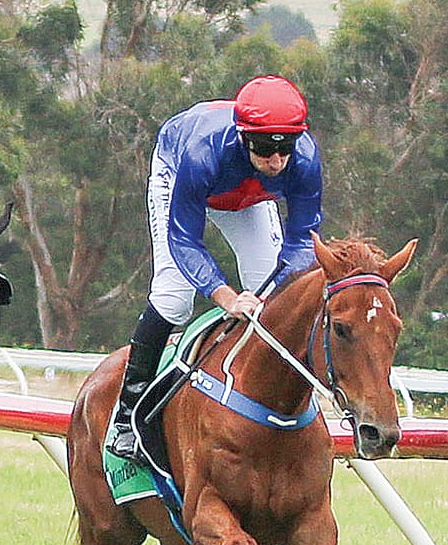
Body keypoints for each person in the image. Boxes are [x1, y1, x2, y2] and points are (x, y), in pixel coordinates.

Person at [105, 75, 324, 458]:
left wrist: (279, 282)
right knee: (174, 298)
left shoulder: (304, 158)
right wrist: (225, 296)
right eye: (263, 150)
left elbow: (304, 238)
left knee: (274, 300)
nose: (275, 162)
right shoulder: (202, 152)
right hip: (180, 176)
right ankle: (127, 415)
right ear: (243, 138)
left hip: (248, 197)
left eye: (285, 149)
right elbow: (185, 240)